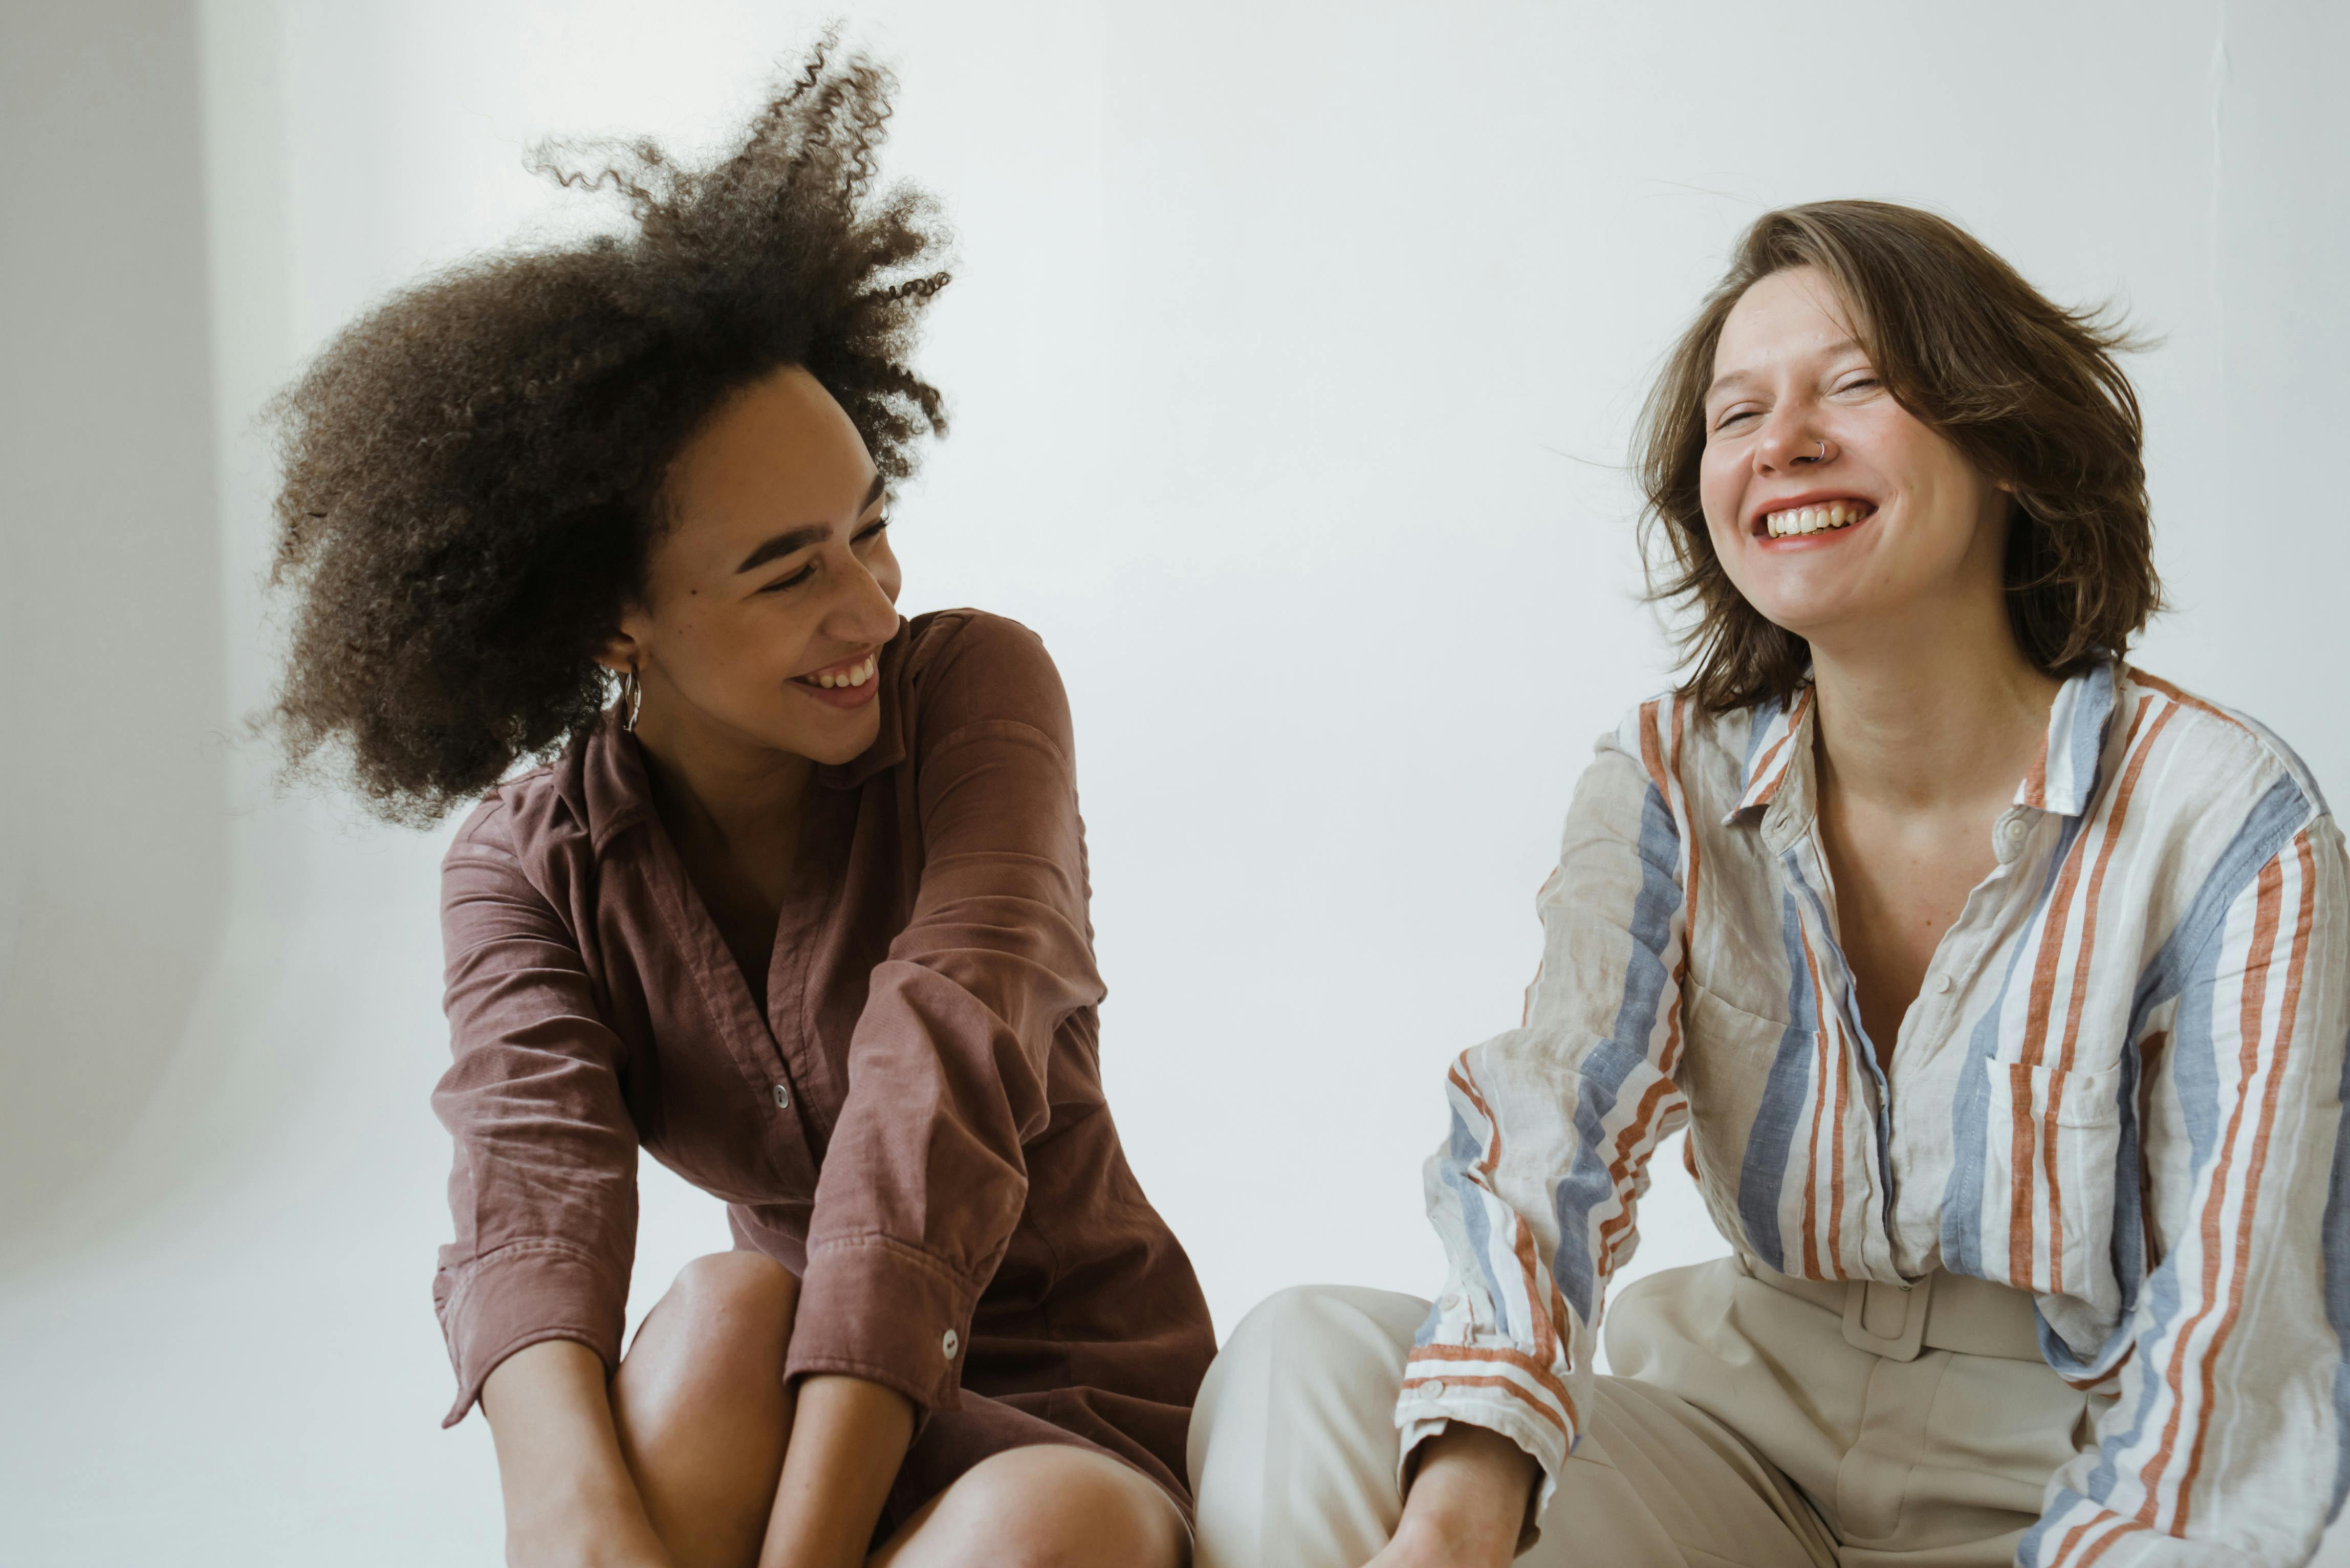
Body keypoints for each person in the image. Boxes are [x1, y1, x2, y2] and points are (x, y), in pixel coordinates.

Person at [1188, 200, 2349, 1567]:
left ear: (2006, 442)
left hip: (2069, 1483)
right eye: (1737, 416)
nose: (1783, 442)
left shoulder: (2225, 823)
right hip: (1743, 1450)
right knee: (1304, 1360)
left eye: (1855, 385)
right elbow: (1551, 1156)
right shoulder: (1668, 778)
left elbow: (2240, 1352)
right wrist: (1451, 1524)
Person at [265, 44, 1211, 1568]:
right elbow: (531, 1196)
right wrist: (571, 1529)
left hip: (1067, 1407)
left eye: (872, 529)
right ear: (609, 623)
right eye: (790, 570)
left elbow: (936, 1080)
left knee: (1044, 1520)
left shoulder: (977, 693)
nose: (869, 608)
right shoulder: (525, 867)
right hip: (776, 1399)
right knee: (716, 1313)